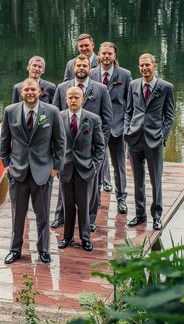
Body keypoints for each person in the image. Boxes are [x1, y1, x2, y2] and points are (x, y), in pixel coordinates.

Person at [0, 78, 66, 264]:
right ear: (21, 92)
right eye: (26, 89)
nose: (30, 92)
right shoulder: (10, 111)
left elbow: (60, 143)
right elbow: (4, 141)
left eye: (33, 89)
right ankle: (15, 250)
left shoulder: (52, 112)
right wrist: (7, 165)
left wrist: (55, 168)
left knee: (42, 214)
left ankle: (43, 249)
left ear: (40, 91)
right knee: (17, 214)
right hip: (18, 172)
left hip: (43, 172)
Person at [52, 54, 112, 232]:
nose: (81, 68)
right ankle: (60, 217)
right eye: (78, 65)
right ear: (73, 67)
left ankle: (90, 219)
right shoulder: (62, 88)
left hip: (89, 148)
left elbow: (107, 119)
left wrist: (98, 152)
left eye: (84, 65)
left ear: (90, 68)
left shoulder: (100, 89)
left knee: (92, 188)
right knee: (64, 189)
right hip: (67, 151)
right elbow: (55, 116)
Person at [124, 53, 175, 231]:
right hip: (134, 138)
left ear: (154, 66)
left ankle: (157, 216)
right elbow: (128, 111)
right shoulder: (133, 85)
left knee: (155, 180)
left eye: (147, 65)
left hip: (154, 140)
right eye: (141, 65)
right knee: (138, 180)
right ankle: (139, 215)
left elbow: (169, 116)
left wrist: (163, 136)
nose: (144, 68)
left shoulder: (166, 87)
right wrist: (126, 131)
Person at [58, 86, 105, 252]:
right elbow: (54, 144)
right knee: (68, 205)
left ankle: (85, 238)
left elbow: (100, 147)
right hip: (65, 169)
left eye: (76, 97)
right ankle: (67, 237)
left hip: (86, 169)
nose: (73, 100)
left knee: (84, 207)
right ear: (66, 99)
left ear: (82, 99)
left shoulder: (93, 119)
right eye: (70, 97)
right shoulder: (59, 117)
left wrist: (95, 168)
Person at [89, 42, 132, 215]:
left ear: (114, 56)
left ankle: (121, 198)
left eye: (110, 54)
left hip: (117, 127)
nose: (106, 56)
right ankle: (96, 197)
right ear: (98, 54)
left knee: (119, 165)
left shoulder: (125, 75)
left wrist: (127, 127)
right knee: (96, 164)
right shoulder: (91, 74)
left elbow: (130, 104)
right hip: (96, 128)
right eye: (103, 53)